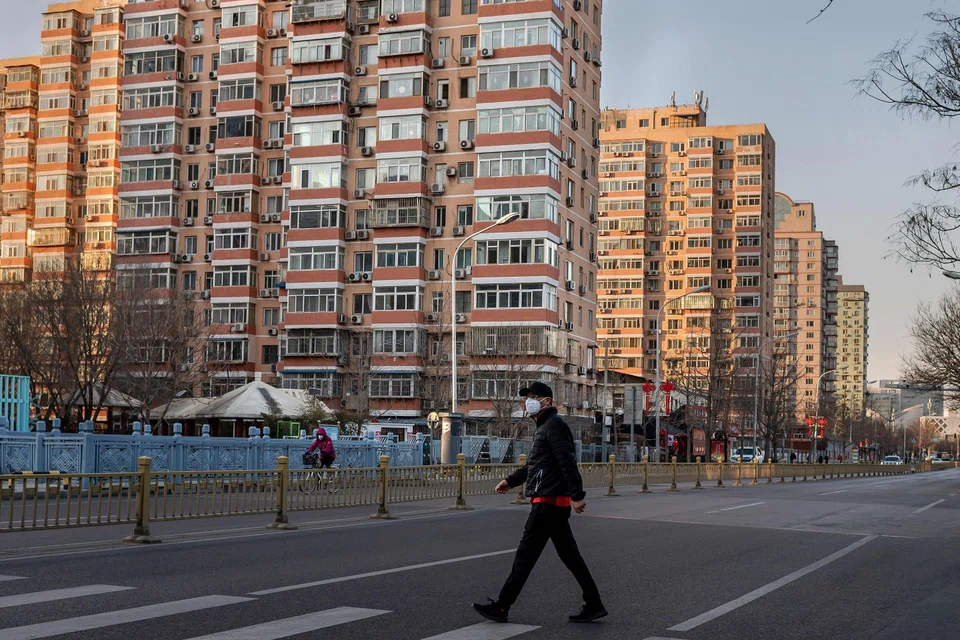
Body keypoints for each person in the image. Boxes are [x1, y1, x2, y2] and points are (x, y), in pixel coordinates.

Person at [473, 382, 606, 624]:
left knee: (525, 557)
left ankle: (502, 606)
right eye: (528, 397)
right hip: (549, 501)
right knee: (570, 557)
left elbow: (567, 462)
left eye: (535, 397)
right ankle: (594, 603)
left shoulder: (554, 426)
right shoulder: (544, 428)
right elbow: (535, 465)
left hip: (549, 502)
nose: (529, 401)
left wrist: (577, 495)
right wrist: (510, 481)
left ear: (548, 401)